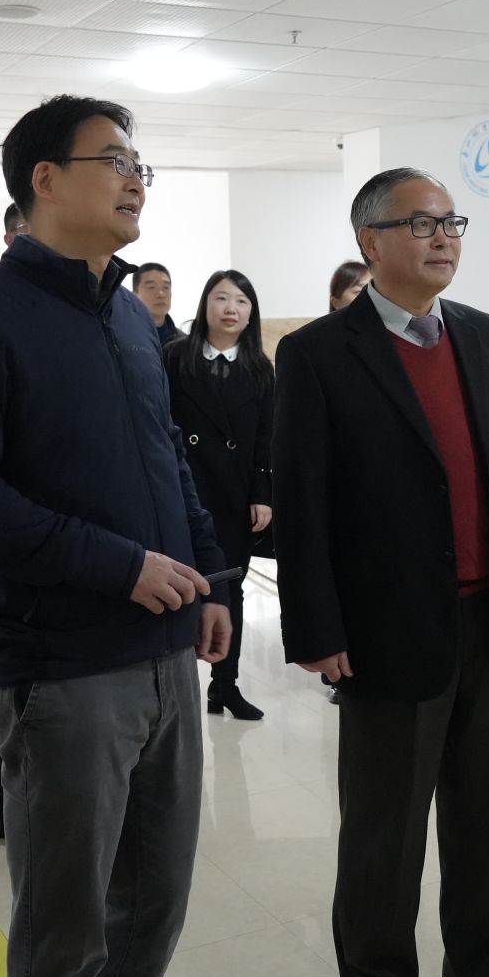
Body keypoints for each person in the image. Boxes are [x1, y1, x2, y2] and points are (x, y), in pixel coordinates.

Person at [0, 95, 232, 977]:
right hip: (62, 666)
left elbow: (167, 456)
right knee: (66, 930)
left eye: (140, 165)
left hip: (167, 650)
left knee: (154, 908)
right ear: (45, 180)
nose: (135, 181)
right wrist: (121, 566)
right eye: (114, 160)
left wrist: (208, 575)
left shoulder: (129, 317)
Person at [275, 168, 489, 977]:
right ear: (370, 240)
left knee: (486, 814)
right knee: (385, 832)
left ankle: (484, 968)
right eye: (421, 224)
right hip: (386, 625)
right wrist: (315, 625)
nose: (443, 238)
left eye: (451, 223)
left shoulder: (481, 332)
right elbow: (303, 500)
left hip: (487, 617)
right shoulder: (319, 353)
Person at [165, 270, 274, 723]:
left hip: (235, 496)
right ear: (205, 305)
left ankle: (225, 684)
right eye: (222, 298)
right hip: (184, 491)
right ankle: (172, 690)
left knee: (230, 588)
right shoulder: (175, 358)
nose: (231, 308)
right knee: (175, 588)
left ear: (251, 313)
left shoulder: (260, 369)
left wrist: (263, 493)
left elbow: (266, 438)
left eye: (242, 301)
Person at [130, 261, 182, 346]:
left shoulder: (184, 342)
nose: (161, 294)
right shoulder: (122, 334)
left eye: (166, 287)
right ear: (134, 295)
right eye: (151, 287)